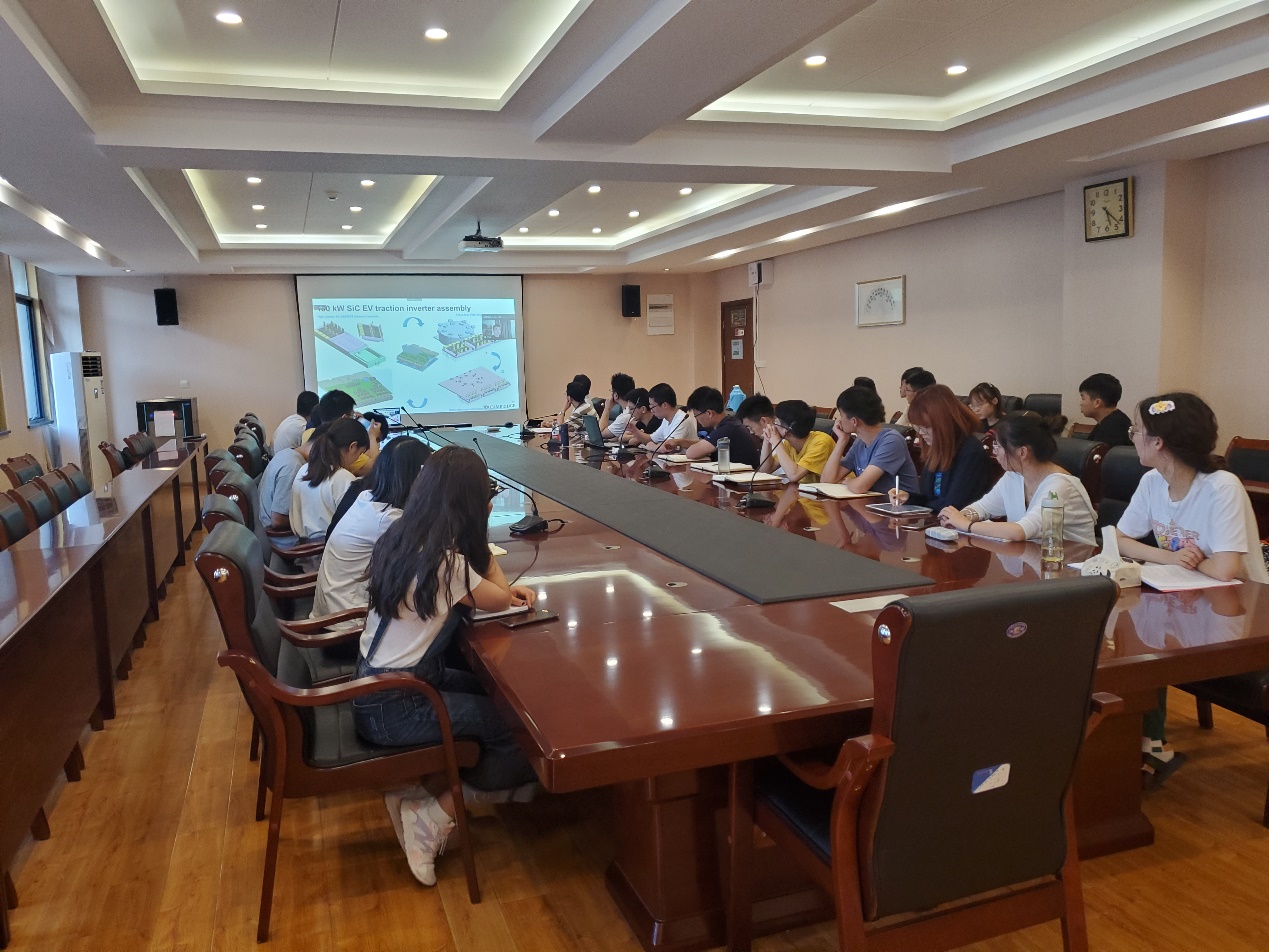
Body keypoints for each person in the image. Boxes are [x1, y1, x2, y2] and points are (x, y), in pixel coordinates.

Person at [353, 446, 539, 886]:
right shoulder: (447, 563)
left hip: (375, 687)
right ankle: (435, 813)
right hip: (398, 705)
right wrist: (481, 542)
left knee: (491, 695)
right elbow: (501, 597)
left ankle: (431, 795)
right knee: (516, 731)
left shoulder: (402, 536)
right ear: (471, 504)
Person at [1111, 392, 1269, 785]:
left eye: (1136, 431)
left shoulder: (1221, 487)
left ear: (1158, 442)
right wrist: (1170, 557)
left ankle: (1147, 747)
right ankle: (1144, 746)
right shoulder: (1152, 482)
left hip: (1240, 616)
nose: (1132, 438)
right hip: (1189, 598)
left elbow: (1226, 569)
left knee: (1141, 646)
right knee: (1133, 636)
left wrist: (1187, 561)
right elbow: (1119, 539)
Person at [312, 436, 432, 621]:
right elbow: (433, 561)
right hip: (348, 623)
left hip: (333, 611)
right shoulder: (388, 519)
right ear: (417, 477)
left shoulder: (367, 498)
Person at [939, 412, 1096, 545]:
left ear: (1022, 452)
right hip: (1034, 560)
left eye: (998, 446)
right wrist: (960, 517)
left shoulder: (1060, 486)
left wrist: (966, 525)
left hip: (1070, 565)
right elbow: (983, 507)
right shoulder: (1013, 476)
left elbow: (1019, 531)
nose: (995, 452)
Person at [890, 385, 994, 511]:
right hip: (936, 520)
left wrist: (922, 507)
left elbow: (953, 505)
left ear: (944, 422)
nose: (921, 433)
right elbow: (928, 499)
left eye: (926, 427)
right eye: (917, 428)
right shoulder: (936, 449)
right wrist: (908, 498)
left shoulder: (971, 451)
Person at [821, 386, 920, 494]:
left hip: (901, 503)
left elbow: (860, 487)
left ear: (854, 421)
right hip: (874, 502)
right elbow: (827, 480)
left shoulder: (892, 440)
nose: (839, 421)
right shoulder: (860, 442)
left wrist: (849, 481)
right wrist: (842, 441)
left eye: (841, 415)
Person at [290, 417, 370, 542]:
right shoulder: (343, 478)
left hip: (302, 547)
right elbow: (357, 524)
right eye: (360, 453)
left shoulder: (304, 469)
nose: (357, 459)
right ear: (352, 447)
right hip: (329, 547)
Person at [302, 388, 385, 477]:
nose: (354, 419)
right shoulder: (343, 446)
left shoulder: (308, 433)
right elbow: (374, 467)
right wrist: (372, 436)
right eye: (353, 416)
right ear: (345, 418)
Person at [756, 399, 835, 481]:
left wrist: (776, 442)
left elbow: (794, 475)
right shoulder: (789, 443)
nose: (773, 426)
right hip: (804, 488)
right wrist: (767, 439)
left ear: (786, 430)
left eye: (775, 422)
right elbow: (765, 471)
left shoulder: (821, 442)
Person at [680, 386, 760, 466]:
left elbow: (691, 453)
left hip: (745, 473)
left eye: (696, 415)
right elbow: (707, 443)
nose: (696, 419)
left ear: (709, 413)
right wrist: (679, 442)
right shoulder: (728, 423)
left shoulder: (728, 428)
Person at [624, 383, 694, 450]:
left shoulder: (681, 419)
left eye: (652, 407)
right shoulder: (666, 420)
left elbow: (668, 447)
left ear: (665, 405)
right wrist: (634, 430)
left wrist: (651, 446)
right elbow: (651, 439)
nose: (652, 411)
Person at [1079, 373, 1132, 446]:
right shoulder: (1113, 420)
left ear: (1097, 402)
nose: (1081, 403)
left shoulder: (1112, 428)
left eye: (1083, 398)